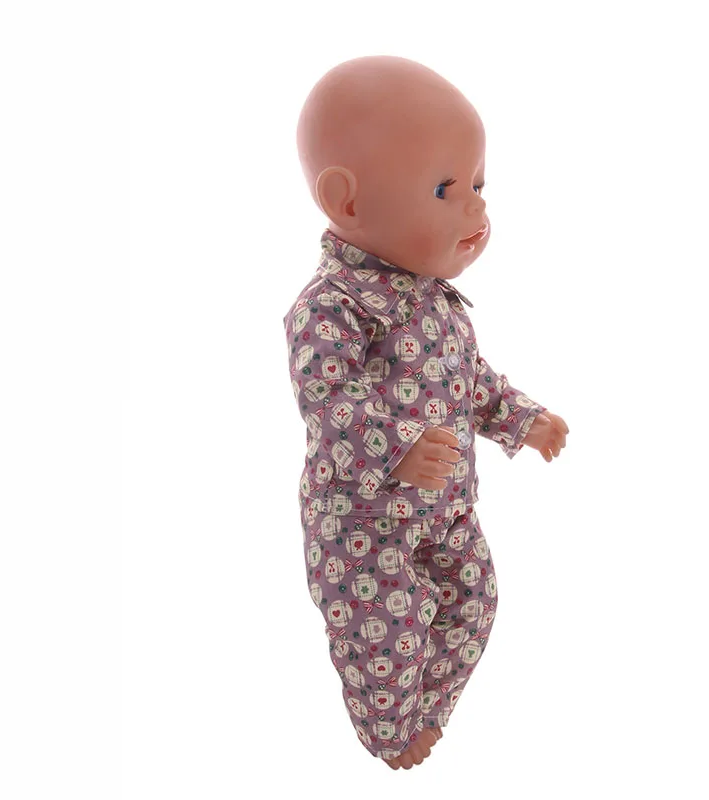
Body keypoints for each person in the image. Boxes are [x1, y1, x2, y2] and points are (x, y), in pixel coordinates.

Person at [283, 55, 569, 770]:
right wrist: (399, 446)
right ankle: (390, 732)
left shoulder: (433, 299)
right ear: (347, 203)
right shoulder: (330, 308)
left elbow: (470, 379)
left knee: (474, 604)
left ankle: (423, 713)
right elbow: (330, 401)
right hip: (361, 524)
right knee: (386, 634)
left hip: (447, 509)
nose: (475, 210)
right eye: (445, 190)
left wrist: (523, 419)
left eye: (477, 185)